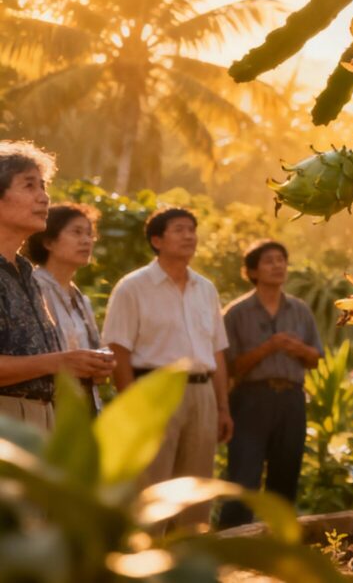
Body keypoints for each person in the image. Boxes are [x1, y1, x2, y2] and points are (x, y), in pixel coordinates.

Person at [103, 207, 232, 527]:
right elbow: (118, 348)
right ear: (157, 240)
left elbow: (217, 352)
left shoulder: (206, 288)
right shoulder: (132, 287)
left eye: (192, 229)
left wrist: (223, 408)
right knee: (151, 489)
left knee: (196, 490)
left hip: (202, 394)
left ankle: (189, 567)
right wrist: (132, 407)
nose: (189, 235)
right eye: (179, 229)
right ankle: (146, 569)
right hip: (154, 393)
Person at [0, 141, 113, 430]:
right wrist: (61, 363)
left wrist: (83, 365)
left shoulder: (25, 273)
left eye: (44, 186)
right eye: (29, 186)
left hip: (42, 416)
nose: (44, 198)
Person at [219, 240, 322, 529]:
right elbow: (230, 366)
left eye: (281, 260)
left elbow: (315, 358)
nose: (278, 266)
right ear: (252, 271)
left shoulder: (300, 310)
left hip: (291, 399)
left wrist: (298, 349)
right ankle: (233, 544)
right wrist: (268, 348)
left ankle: (280, 545)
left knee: (286, 474)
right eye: (269, 261)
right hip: (251, 399)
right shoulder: (236, 313)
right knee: (243, 477)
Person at [25, 203, 107, 414]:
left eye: (90, 234)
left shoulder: (79, 297)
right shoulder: (33, 287)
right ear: (48, 241)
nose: (86, 240)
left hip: (83, 404)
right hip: (47, 406)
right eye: (76, 232)